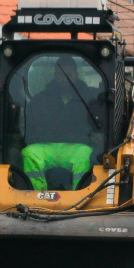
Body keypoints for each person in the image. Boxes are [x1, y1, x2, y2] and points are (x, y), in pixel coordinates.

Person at [20, 55, 99, 190]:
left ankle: (81, 194)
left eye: (69, 74)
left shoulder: (91, 99)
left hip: (77, 147)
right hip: (46, 147)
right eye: (61, 74)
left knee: (85, 155)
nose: (65, 78)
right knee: (29, 153)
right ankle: (36, 194)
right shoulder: (39, 100)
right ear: (55, 75)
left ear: (76, 75)